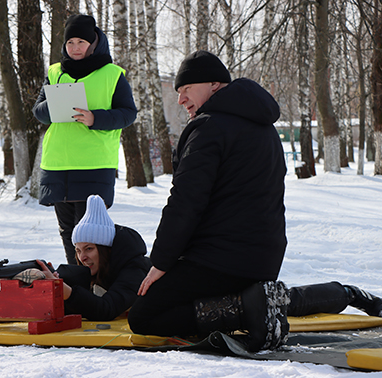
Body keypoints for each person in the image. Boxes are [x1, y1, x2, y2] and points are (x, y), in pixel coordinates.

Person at [127, 50, 291, 352]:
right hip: (265, 259)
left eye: (186, 89)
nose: (181, 99)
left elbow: (186, 202)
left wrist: (161, 263)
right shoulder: (265, 129)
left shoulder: (209, 127)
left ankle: (247, 309)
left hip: (222, 260)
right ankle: (254, 299)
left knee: (144, 316)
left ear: (214, 84)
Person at [32, 14, 137, 265]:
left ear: (94, 43)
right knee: (68, 233)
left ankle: (94, 290)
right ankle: (76, 286)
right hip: (58, 164)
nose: (75, 47)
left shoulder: (113, 74)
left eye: (81, 41)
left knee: (89, 236)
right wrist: (55, 107)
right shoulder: (56, 72)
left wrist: (95, 119)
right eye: (70, 42)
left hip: (94, 164)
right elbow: (38, 111)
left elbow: (127, 114)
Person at [35, 195, 150, 321]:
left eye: (89, 249)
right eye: (78, 251)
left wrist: (67, 292)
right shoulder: (95, 270)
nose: (82, 257)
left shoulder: (134, 269)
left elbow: (106, 309)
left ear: (106, 249)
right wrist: (54, 291)